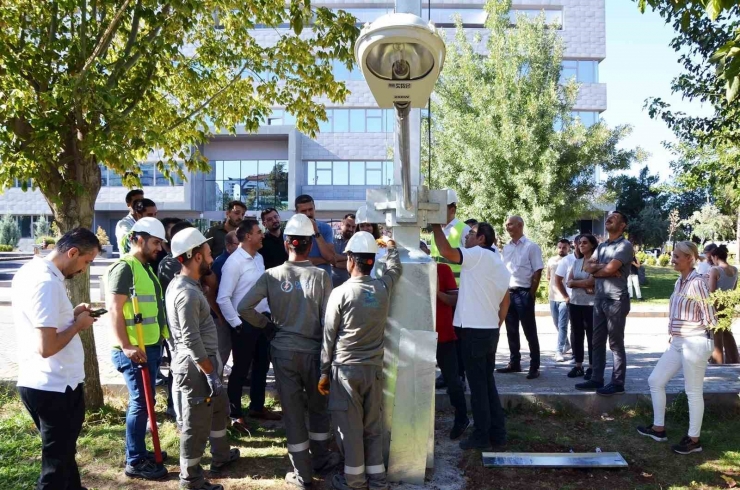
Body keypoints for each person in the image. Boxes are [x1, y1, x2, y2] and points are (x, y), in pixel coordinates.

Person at [238, 214, 339, 489]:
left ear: (286, 244)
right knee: (318, 410)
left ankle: (302, 474)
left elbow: (244, 307)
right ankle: (320, 459)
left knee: (293, 413)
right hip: (315, 354)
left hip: (283, 353)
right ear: (309, 245)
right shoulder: (321, 277)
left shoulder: (271, 276)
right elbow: (328, 323)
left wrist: (267, 326)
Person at [13, 228, 100, 490]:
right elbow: (47, 346)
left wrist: (71, 315)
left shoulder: (36, 271)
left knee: (63, 455)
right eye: (86, 262)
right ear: (72, 252)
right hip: (52, 386)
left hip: (54, 383)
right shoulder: (46, 283)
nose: (85, 270)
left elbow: (44, 324)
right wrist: (78, 326)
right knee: (55, 466)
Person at [319, 231, 401, 490]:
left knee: (350, 429)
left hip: (345, 372)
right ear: (371, 261)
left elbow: (328, 337)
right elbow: (395, 269)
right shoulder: (383, 287)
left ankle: (355, 481)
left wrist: (323, 372)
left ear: (352, 261)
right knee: (372, 426)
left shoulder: (340, 293)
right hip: (373, 370)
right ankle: (377, 480)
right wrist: (391, 247)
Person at [165, 228, 240, 490]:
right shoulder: (187, 293)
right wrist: (209, 372)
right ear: (196, 257)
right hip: (198, 369)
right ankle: (191, 478)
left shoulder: (188, 286)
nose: (211, 258)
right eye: (208, 254)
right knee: (195, 425)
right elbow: (190, 339)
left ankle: (221, 455)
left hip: (206, 366)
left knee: (219, 411)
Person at [433, 222, 511, 451]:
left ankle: (481, 436)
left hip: (473, 331)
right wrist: (495, 325)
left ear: (481, 239)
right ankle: (498, 433)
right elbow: (505, 302)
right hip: (487, 330)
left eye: (471, 234)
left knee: (478, 388)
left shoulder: (477, 255)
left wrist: (436, 226)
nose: (466, 238)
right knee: (487, 384)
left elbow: (446, 252)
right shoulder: (498, 263)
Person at [637, 241, 717, 455]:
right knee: (655, 380)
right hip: (678, 342)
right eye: (672, 255)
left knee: (693, 391)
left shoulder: (698, 283)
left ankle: (693, 440)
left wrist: (706, 342)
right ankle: (658, 428)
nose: (672, 259)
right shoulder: (679, 282)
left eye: (677, 257)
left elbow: (710, 317)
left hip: (696, 341)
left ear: (690, 258)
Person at [106, 217, 170, 480]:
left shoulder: (145, 267)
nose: (160, 248)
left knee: (146, 402)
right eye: (156, 242)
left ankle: (140, 451)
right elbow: (114, 309)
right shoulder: (125, 268)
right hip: (134, 350)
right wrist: (127, 345)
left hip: (149, 345)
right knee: (139, 404)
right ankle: (134, 460)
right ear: (138, 239)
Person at [217, 219, 281, 433]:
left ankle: (257, 407)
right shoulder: (234, 263)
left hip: (262, 321)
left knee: (262, 365)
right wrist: (237, 324)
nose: (262, 235)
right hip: (243, 323)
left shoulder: (259, 258)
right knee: (241, 369)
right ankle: (235, 414)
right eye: (258, 232)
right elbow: (223, 298)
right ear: (247, 237)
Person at [576, 211, 633, 396]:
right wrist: (603, 269)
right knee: (597, 341)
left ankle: (617, 383)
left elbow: (610, 269)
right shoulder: (601, 247)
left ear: (623, 224)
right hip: (599, 299)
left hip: (616, 300)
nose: (609, 218)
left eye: (615, 217)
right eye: (608, 216)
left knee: (615, 343)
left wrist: (601, 269)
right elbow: (587, 267)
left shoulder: (624, 246)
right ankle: (596, 379)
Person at [498, 216, 543, 379]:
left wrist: (531, 293)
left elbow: (538, 270)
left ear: (520, 225)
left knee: (529, 331)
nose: (507, 227)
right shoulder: (506, 248)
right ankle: (514, 362)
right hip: (508, 293)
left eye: (510, 224)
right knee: (511, 330)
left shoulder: (531, 247)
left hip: (523, 293)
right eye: (506, 225)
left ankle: (534, 366)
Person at [434, 261, 470, 440]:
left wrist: (436, 292)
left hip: (444, 335)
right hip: (415, 336)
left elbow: (454, 299)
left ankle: (462, 418)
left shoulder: (442, 269)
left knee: (453, 380)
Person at [566, 234, 598, 379]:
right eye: (580, 243)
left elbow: (591, 282)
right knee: (576, 335)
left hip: (590, 304)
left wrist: (577, 283)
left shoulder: (596, 262)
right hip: (575, 303)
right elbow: (568, 282)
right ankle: (578, 366)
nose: (581, 245)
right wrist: (582, 284)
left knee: (591, 336)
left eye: (585, 243)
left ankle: (592, 367)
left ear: (592, 245)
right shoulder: (576, 262)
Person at [707, 245, 739, 364]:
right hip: (728, 303)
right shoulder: (734, 270)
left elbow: (712, 290)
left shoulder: (715, 270)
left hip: (716, 304)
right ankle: (734, 359)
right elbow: (734, 288)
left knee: (716, 333)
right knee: (727, 332)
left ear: (715, 257)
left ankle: (717, 361)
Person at [295, 194, 335, 275]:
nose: (308, 214)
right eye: (303, 211)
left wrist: (316, 231)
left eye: (310, 209)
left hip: (323, 282)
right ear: (297, 212)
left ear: (314, 208)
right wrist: (324, 260)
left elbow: (330, 257)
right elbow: (298, 260)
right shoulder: (292, 232)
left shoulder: (325, 228)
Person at [547, 239, 572, 362]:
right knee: (557, 324)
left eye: (564, 247)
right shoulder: (551, 260)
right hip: (552, 297)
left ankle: (559, 350)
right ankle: (566, 344)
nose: (561, 249)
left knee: (563, 325)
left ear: (569, 248)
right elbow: (548, 277)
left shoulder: (570, 260)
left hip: (565, 297)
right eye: (560, 247)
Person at [331, 213, 356, 287]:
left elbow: (355, 264)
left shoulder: (356, 243)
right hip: (332, 284)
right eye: (348, 225)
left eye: (353, 227)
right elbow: (331, 258)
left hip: (349, 286)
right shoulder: (332, 240)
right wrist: (348, 258)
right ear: (342, 224)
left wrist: (336, 263)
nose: (350, 229)